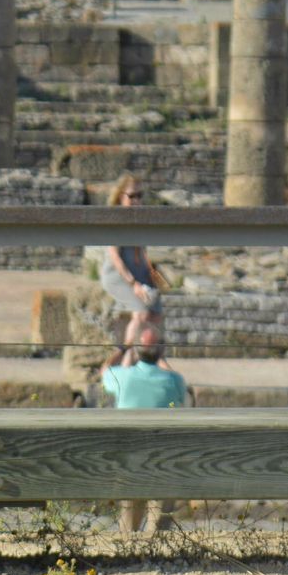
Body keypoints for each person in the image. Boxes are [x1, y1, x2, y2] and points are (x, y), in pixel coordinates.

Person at [101, 326, 187, 531]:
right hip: (164, 459)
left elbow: (104, 370)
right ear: (161, 350)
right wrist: (161, 357)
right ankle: (158, 547)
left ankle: (127, 547)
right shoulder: (174, 380)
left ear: (136, 351)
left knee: (129, 516)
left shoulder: (122, 376)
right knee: (160, 522)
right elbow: (176, 382)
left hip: (129, 457)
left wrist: (124, 348)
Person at [98, 174, 164, 347]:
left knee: (157, 314)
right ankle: (125, 357)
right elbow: (115, 257)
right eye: (132, 196)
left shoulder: (141, 220)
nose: (137, 200)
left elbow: (142, 253)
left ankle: (149, 358)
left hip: (140, 274)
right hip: (119, 276)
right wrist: (133, 283)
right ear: (120, 196)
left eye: (140, 196)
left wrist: (152, 274)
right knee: (141, 313)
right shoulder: (115, 221)